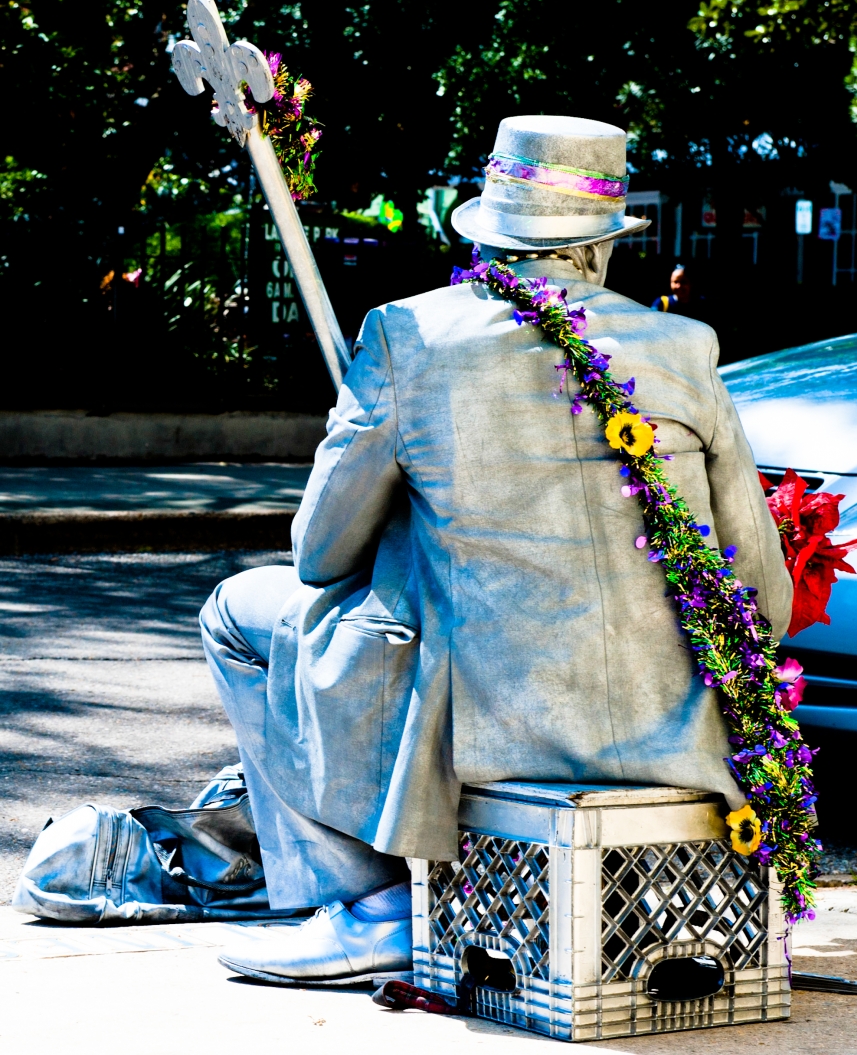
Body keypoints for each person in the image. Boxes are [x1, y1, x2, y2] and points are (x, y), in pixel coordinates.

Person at [205, 115, 793, 986]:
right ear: (599, 245)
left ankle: (365, 905)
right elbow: (759, 596)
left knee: (236, 611)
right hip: (676, 727)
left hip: (487, 724)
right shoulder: (686, 346)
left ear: (488, 226)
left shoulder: (408, 334)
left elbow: (320, 556)